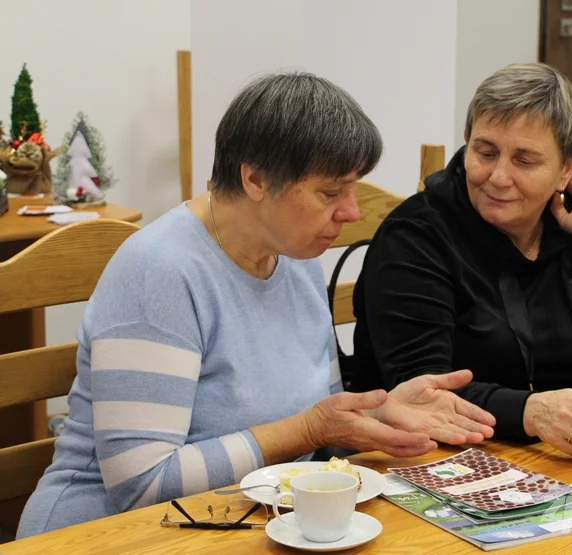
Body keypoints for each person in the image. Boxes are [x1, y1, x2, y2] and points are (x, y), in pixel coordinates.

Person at [17, 72, 495, 538]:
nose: (351, 211)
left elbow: (314, 427)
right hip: (108, 533)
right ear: (255, 179)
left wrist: (378, 415)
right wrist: (307, 430)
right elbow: (143, 484)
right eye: (331, 192)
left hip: (246, 522)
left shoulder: (293, 256)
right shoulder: (160, 271)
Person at [351, 63, 572, 455]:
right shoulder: (415, 237)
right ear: (467, 141)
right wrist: (529, 411)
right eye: (485, 152)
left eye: (525, 160)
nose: (499, 176)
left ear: (568, 168)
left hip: (570, 457)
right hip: (440, 462)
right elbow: (423, 396)